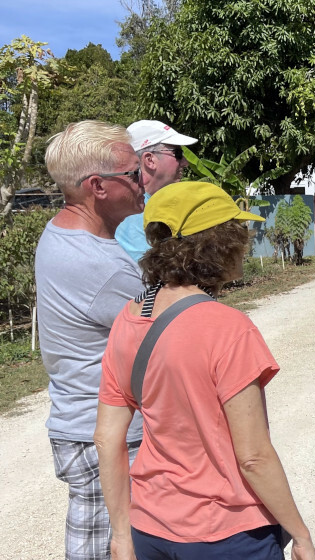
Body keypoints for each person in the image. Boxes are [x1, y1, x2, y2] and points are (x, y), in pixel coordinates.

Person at [94, 181, 315, 560]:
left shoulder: (128, 320)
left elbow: (106, 438)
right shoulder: (227, 327)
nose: (246, 245)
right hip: (227, 534)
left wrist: (120, 535)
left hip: (150, 527)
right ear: (219, 243)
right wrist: (301, 535)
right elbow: (253, 457)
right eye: (238, 234)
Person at [35, 120, 147, 560]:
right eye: (134, 174)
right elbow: (163, 328)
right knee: (113, 547)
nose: (143, 184)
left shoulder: (61, 232)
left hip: (82, 422)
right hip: (108, 435)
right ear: (98, 186)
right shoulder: (98, 265)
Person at [114, 120, 197, 261]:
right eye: (177, 153)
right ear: (149, 160)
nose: (185, 162)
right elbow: (155, 274)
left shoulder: (146, 203)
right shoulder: (132, 213)